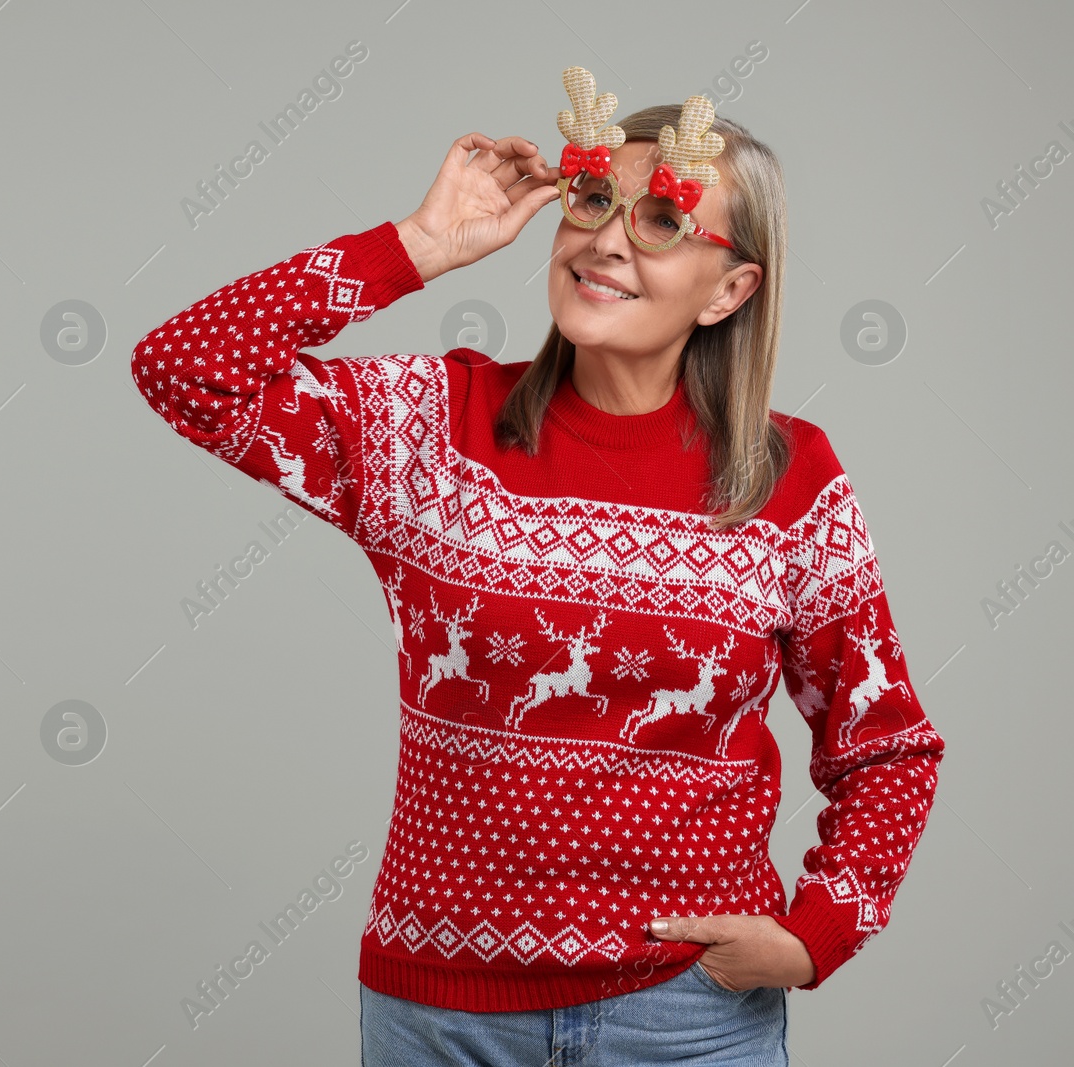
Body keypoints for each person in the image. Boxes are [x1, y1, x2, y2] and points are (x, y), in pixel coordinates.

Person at [130, 67, 946, 1066]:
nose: (606, 239)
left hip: (685, 1015)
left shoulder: (786, 479)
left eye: (663, 220)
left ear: (730, 288)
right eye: (594, 202)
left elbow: (887, 744)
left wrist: (817, 935)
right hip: (444, 1015)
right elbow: (184, 366)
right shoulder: (432, 429)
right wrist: (417, 247)